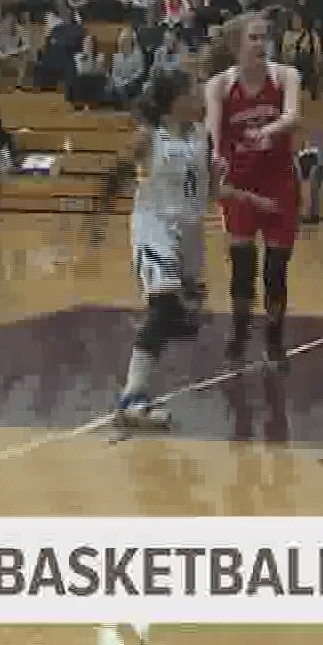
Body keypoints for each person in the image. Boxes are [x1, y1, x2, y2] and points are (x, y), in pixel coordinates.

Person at [109, 70, 210, 430]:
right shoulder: (150, 137)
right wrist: (99, 212)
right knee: (164, 307)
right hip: (154, 227)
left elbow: (204, 186)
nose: (199, 97)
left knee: (180, 319)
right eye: (193, 92)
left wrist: (249, 196)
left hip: (190, 232)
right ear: (175, 102)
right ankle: (131, 398)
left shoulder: (201, 135)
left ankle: (139, 375)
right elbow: (118, 171)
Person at [204, 11, 303, 371]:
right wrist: (214, 158)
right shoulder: (218, 85)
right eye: (255, 38)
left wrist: (269, 131)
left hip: (279, 181)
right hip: (241, 182)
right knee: (242, 267)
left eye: (266, 37)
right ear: (236, 46)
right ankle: (239, 333)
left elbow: (293, 116)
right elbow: (214, 131)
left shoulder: (286, 75)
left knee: (276, 268)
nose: (263, 44)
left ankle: (275, 339)